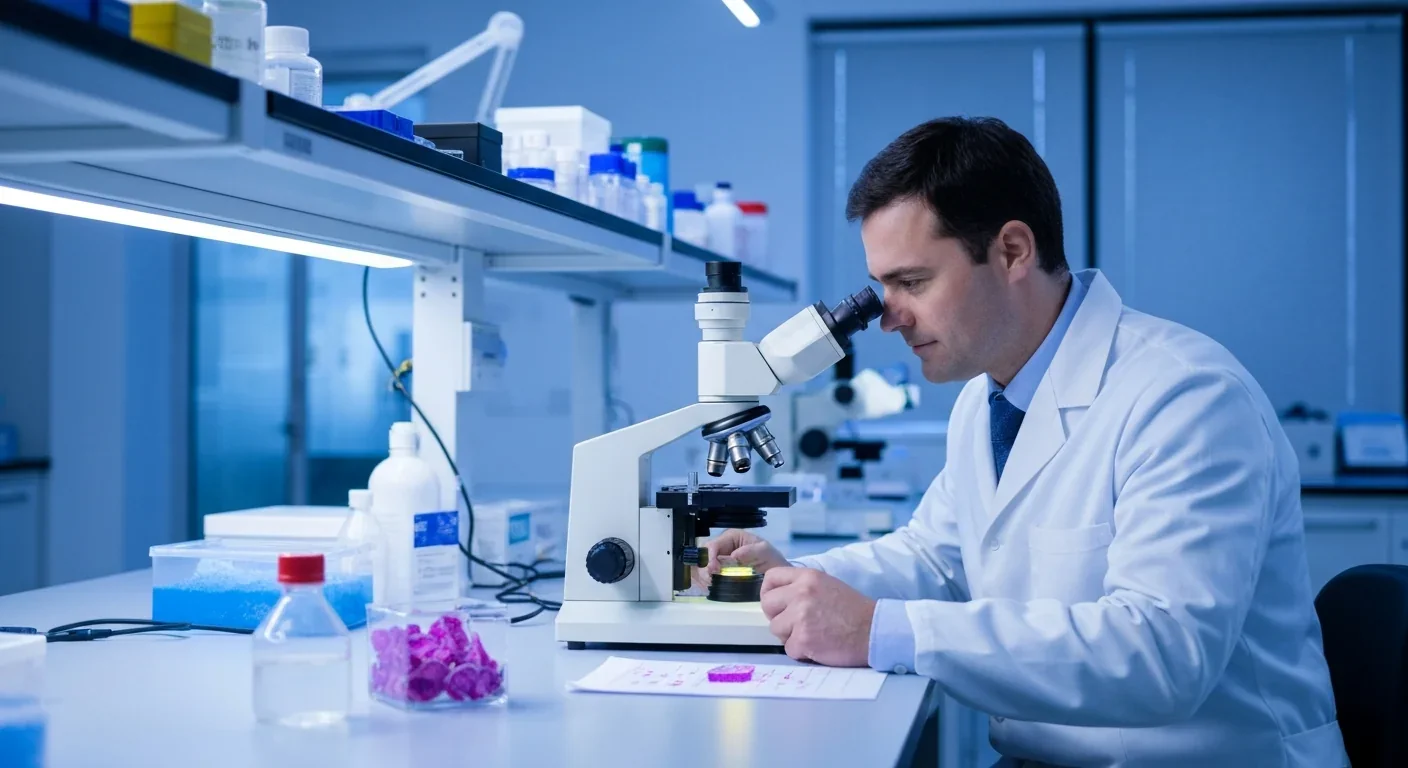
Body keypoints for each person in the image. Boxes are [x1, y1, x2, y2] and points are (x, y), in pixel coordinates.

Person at [696, 117, 1347, 767]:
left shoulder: (1187, 398)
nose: (888, 317)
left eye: (912, 282)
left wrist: (877, 631)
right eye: (881, 288)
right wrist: (790, 580)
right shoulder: (988, 399)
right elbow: (938, 559)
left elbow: (1162, 656)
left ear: (1012, 251)